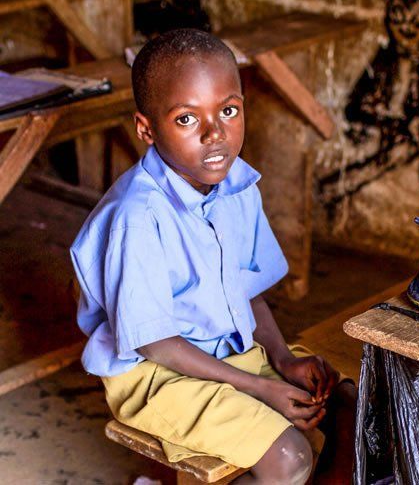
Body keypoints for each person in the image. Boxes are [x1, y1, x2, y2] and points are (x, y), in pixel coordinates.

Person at [71, 29, 356, 484]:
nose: (215, 134)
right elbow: (155, 343)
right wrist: (260, 387)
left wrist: (281, 359)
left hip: (229, 350)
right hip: (156, 376)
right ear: (146, 129)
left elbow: (245, 294)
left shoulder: (236, 186)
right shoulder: (138, 217)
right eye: (187, 119)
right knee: (289, 458)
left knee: (344, 403)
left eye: (228, 111)